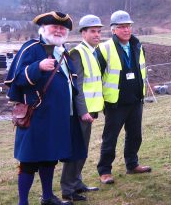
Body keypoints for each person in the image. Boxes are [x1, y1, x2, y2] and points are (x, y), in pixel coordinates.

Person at [5, 11, 84, 205]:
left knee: (50, 158)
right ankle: (23, 202)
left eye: (62, 28)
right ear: (43, 29)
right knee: (29, 162)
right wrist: (38, 66)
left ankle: (47, 197)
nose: (58, 31)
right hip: (37, 116)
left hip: (58, 117)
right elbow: (16, 79)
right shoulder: (31, 48)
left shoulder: (64, 53)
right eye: (54, 27)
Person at [96, 10, 151, 184]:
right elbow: (96, 77)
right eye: (121, 27)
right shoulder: (104, 48)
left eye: (128, 26)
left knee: (135, 135)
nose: (126, 30)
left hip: (135, 100)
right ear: (113, 30)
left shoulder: (137, 46)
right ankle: (105, 171)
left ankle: (132, 165)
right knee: (110, 138)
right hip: (115, 103)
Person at [60, 14, 103, 202]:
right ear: (83, 33)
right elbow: (76, 85)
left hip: (89, 110)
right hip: (81, 113)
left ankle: (76, 183)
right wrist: (83, 111)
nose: (97, 35)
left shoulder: (92, 52)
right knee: (76, 150)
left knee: (82, 150)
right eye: (93, 31)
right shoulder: (78, 53)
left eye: (99, 31)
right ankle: (68, 189)